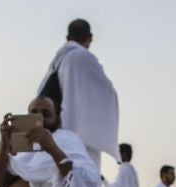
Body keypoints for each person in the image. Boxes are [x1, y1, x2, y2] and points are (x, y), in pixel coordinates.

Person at [38, 18, 119, 169]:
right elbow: (108, 94)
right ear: (90, 38)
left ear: (68, 38)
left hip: (57, 134)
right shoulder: (83, 57)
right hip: (81, 136)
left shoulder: (57, 62)